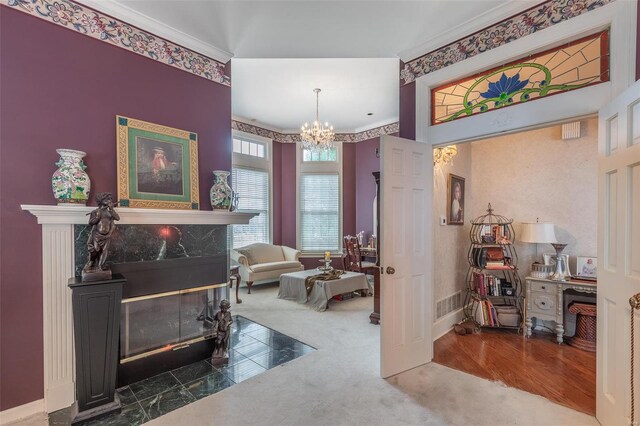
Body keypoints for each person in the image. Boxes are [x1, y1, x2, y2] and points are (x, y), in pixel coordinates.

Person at [83, 192, 120, 274]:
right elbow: (91, 222)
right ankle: (91, 262)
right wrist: (97, 217)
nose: (110, 201)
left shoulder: (110, 212)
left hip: (107, 235)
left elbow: (117, 218)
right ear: (101, 200)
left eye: (110, 199)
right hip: (96, 235)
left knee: (105, 250)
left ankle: (101, 265)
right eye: (107, 199)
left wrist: (112, 209)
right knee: (96, 249)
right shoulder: (96, 211)